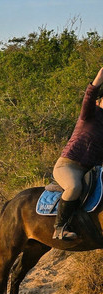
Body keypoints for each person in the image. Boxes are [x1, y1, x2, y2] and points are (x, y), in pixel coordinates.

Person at [52, 66, 103, 240]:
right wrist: (98, 79)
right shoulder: (89, 115)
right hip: (68, 165)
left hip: (90, 172)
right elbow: (89, 97)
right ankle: (59, 228)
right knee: (74, 187)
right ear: (100, 101)